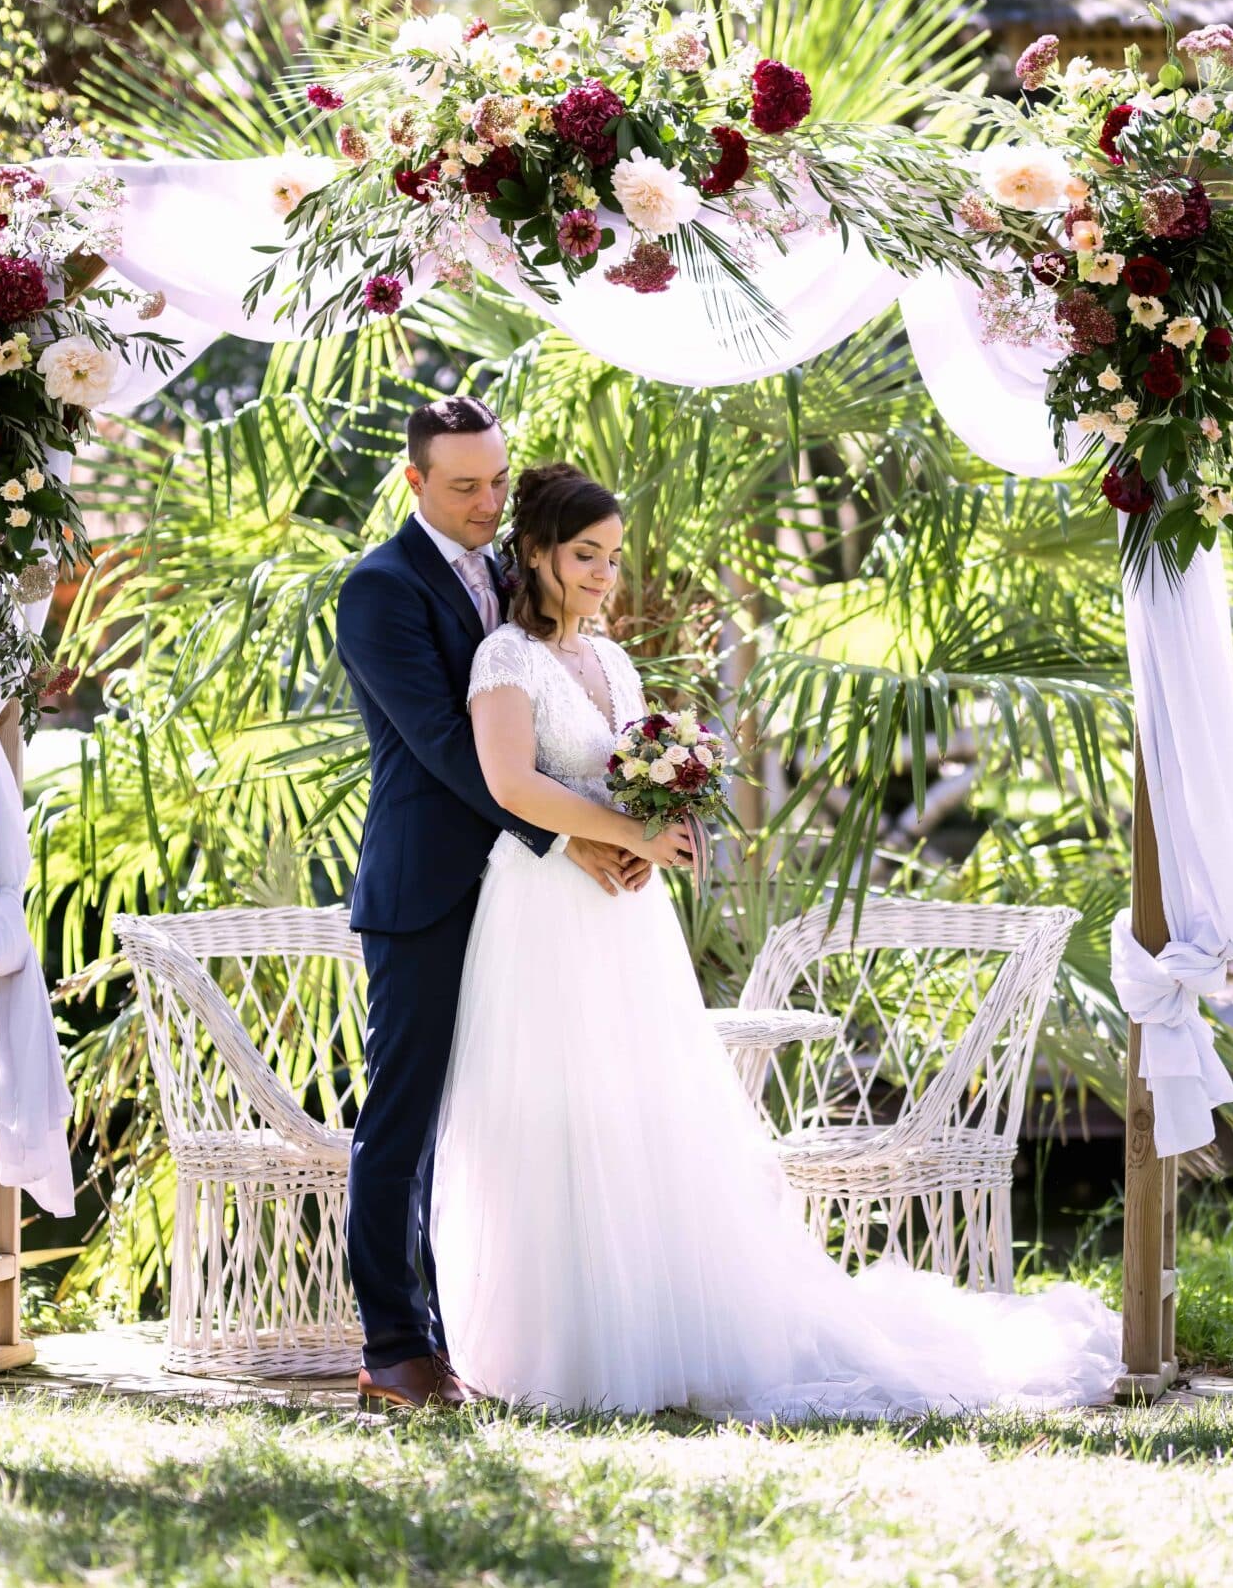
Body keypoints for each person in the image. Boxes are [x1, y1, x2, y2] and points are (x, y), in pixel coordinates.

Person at [431, 458, 1121, 1417]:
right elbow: (509, 783)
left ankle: (659, 1325)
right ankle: (556, 1346)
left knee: (639, 1109)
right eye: (585, 555)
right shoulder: (504, 658)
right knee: (549, 1108)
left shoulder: (617, 661)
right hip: (540, 907)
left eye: (614, 558)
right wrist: (625, 831)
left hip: (623, 912)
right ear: (537, 553)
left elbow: (634, 778)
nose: (602, 575)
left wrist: (658, 837)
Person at [333, 397, 687, 1411]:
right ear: (414, 483)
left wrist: (631, 816)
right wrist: (574, 832)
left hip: (531, 902)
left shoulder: (516, 572)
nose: (487, 503)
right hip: (430, 888)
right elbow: (451, 746)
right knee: (403, 1120)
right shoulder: (378, 590)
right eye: (462, 487)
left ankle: (504, 1333)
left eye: (496, 482)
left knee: (512, 1116)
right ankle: (396, 1347)